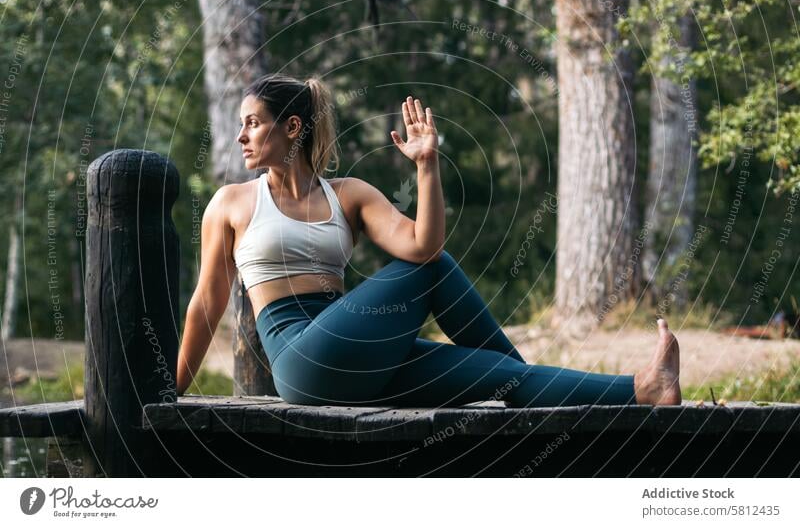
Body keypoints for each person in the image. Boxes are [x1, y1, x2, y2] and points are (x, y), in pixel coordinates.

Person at [175, 72, 681, 408]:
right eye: (241, 125)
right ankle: (534, 396)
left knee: (502, 374)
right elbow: (206, 304)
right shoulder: (232, 203)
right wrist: (171, 388)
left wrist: (427, 167)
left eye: (252, 123)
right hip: (302, 363)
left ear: (290, 128)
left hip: (356, 357)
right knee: (435, 270)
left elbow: (421, 243)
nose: (241, 135)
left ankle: (644, 389)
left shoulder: (348, 194)